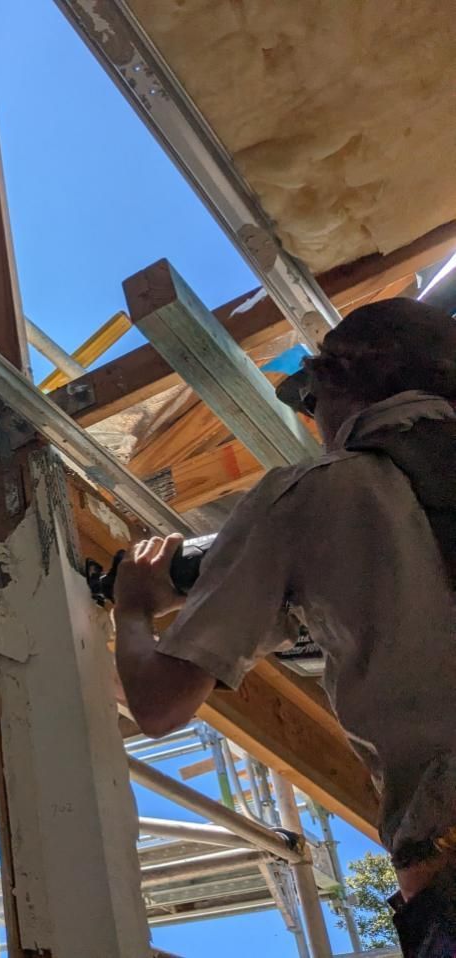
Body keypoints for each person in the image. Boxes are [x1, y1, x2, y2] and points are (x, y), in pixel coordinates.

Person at [111, 297, 456, 956]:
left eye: (306, 400)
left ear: (332, 385)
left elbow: (157, 703)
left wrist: (131, 606)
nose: (309, 422)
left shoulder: (319, 491)